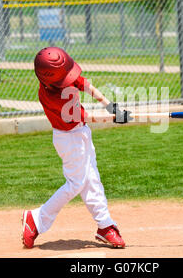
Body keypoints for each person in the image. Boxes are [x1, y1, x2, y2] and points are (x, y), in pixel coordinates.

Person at [21, 47, 132, 249]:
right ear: (51, 79)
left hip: (81, 133)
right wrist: (116, 118)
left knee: (92, 178)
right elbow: (87, 116)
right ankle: (36, 219)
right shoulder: (52, 97)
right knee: (76, 183)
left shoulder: (59, 77)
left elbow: (85, 84)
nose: (69, 78)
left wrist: (110, 106)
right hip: (68, 139)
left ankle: (105, 225)